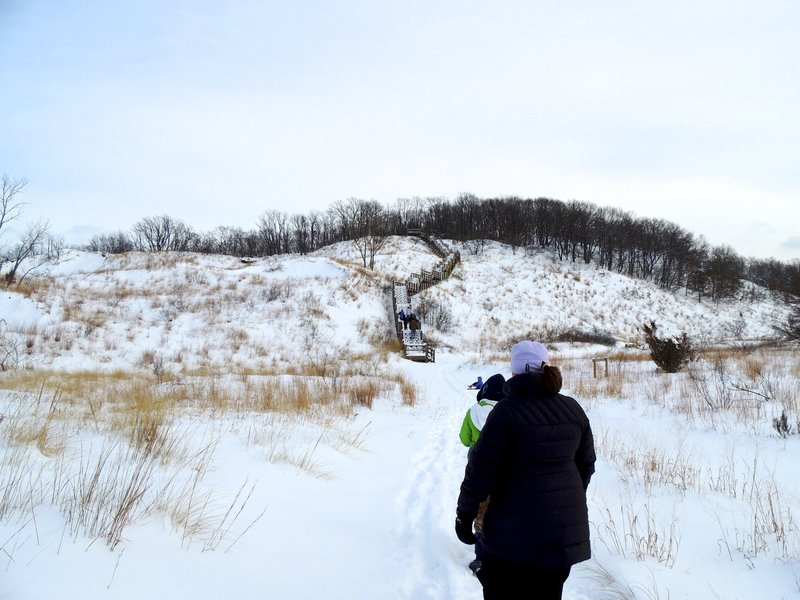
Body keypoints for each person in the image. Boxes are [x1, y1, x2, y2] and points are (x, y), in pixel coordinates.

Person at [455, 341, 596, 600]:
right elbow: (586, 465)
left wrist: (465, 514)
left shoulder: (506, 412)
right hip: (560, 540)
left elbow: (480, 469)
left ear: (515, 372)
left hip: (512, 540)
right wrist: (564, 501)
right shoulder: (573, 408)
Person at [459, 373, 506, 576]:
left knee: (480, 513)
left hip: (479, 471)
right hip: (504, 471)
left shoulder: (473, 411)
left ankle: (480, 558)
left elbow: (463, 438)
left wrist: (474, 444)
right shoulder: (509, 410)